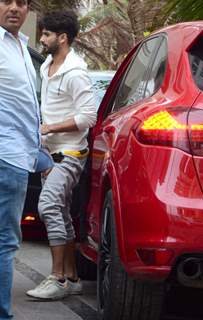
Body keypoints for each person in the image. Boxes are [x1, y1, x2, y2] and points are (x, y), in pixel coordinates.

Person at [26, 10, 97, 300]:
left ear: (63, 38)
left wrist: (50, 128)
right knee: (63, 212)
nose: (42, 39)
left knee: (49, 206)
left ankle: (57, 278)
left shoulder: (76, 72)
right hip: (50, 153)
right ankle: (71, 277)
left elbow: (88, 116)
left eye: (46, 35)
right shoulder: (47, 67)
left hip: (70, 153)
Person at [0, 0, 41, 319]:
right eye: (6, 0)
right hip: (6, 155)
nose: (15, 8)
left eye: (22, 2)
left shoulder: (19, 45)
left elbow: (23, 106)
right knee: (5, 242)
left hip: (19, 156)